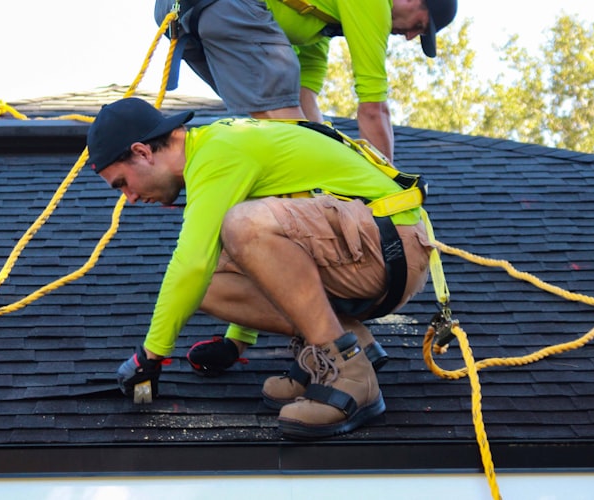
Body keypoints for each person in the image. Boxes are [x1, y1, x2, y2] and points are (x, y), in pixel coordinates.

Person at [87, 97, 433, 439]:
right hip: (368, 246)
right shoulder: (216, 147)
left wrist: (149, 357)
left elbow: (191, 262)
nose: (129, 198)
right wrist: (236, 342)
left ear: (142, 152)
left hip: (389, 243)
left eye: (122, 183)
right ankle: (345, 342)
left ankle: (352, 375)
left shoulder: (217, 151)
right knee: (209, 275)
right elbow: (248, 260)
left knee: (235, 229)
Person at [154, 0, 458, 162]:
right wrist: (387, 185)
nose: (407, 37)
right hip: (222, 6)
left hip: (189, 16)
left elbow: (302, 98)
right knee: (293, 143)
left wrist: (335, 153)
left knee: (280, 132)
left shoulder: (321, 22)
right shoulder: (374, 4)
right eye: (418, 26)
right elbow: (374, 109)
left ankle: (167, 166)